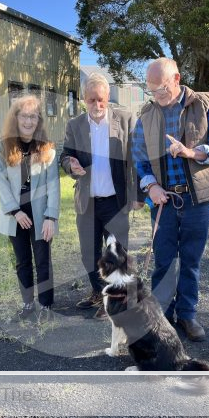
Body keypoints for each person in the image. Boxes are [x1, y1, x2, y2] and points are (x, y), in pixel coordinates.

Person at [132, 58, 209, 341]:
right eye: (151, 91)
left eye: (161, 89)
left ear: (176, 79)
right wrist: (150, 186)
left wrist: (193, 153)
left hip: (197, 199)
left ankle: (187, 315)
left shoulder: (206, 106)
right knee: (164, 260)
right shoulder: (146, 116)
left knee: (190, 260)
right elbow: (139, 159)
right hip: (163, 201)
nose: (157, 97)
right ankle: (163, 316)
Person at [60, 72, 143, 320]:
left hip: (115, 202)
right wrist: (69, 164)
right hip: (88, 202)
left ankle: (118, 301)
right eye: (92, 100)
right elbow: (64, 155)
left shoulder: (126, 120)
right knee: (89, 253)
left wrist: (138, 194)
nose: (97, 105)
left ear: (108, 98)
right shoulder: (74, 125)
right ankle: (98, 292)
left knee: (117, 253)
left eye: (102, 100)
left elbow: (138, 159)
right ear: (84, 99)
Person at [0, 95, 60, 322]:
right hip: (16, 215)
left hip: (41, 212)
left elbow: (54, 185)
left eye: (33, 116)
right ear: (16, 118)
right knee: (22, 261)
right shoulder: (3, 147)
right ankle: (27, 304)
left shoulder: (47, 148)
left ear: (39, 120)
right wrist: (15, 211)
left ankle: (46, 306)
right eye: (24, 116)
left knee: (43, 260)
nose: (29, 121)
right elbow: (1, 183)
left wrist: (51, 217)